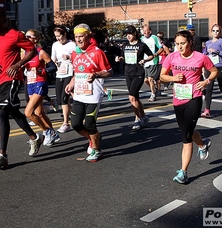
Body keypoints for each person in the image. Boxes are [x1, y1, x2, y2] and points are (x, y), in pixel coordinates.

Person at [0, 8, 43, 167]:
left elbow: (32, 50)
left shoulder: (15, 35)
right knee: (12, 111)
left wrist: (18, 64)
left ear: (5, 20)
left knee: (2, 113)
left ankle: (2, 155)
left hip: (12, 78)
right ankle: (34, 138)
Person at [160, 30, 218, 184]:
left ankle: (183, 172)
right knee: (187, 131)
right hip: (178, 99)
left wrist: (205, 81)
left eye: (183, 43)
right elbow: (162, 75)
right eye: (177, 44)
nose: (179, 46)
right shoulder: (172, 57)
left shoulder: (200, 57)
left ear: (190, 42)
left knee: (186, 136)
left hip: (194, 97)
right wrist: (173, 78)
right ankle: (203, 144)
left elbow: (214, 71)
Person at [65, 23, 113, 162]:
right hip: (80, 94)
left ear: (88, 36)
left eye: (81, 36)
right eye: (76, 37)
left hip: (93, 95)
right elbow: (77, 72)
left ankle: (97, 150)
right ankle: (94, 138)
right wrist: (71, 83)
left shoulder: (97, 52)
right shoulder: (75, 53)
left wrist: (96, 75)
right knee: (75, 124)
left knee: (90, 124)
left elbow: (109, 72)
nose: (78, 40)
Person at [23, 29, 60, 146]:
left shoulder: (41, 52)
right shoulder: (24, 53)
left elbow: (53, 67)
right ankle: (53, 134)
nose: (27, 38)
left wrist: (42, 70)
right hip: (30, 84)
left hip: (40, 83)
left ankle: (47, 131)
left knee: (28, 112)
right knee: (39, 113)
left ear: (36, 39)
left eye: (29, 37)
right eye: (26, 36)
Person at [115, 25, 152, 130]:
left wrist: (144, 60)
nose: (128, 36)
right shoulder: (125, 45)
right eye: (126, 34)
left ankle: (137, 119)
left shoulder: (141, 45)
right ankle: (144, 117)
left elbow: (151, 55)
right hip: (128, 72)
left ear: (135, 33)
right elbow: (123, 57)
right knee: (135, 97)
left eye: (130, 34)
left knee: (131, 97)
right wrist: (119, 59)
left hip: (139, 72)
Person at [201, 24, 222, 117]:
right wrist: (205, 52)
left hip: (220, 66)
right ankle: (207, 109)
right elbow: (204, 53)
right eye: (214, 30)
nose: (215, 33)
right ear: (211, 31)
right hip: (210, 67)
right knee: (209, 88)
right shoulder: (208, 42)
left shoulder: (221, 41)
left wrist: (216, 51)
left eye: (217, 31)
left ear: (220, 32)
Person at [51, 26, 76, 133]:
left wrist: (69, 57)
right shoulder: (55, 45)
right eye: (56, 36)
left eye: (59, 36)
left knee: (64, 98)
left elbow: (78, 58)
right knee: (60, 100)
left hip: (69, 72)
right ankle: (75, 113)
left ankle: (66, 123)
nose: (58, 39)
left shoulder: (72, 44)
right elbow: (52, 58)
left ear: (64, 34)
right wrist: (55, 61)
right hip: (59, 73)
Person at [140, 25, 160, 102]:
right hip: (144, 61)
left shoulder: (154, 38)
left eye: (146, 31)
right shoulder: (141, 39)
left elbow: (161, 48)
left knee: (150, 79)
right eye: (143, 31)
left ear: (150, 31)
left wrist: (155, 54)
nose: (145, 32)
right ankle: (154, 89)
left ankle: (153, 95)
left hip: (153, 61)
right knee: (145, 80)